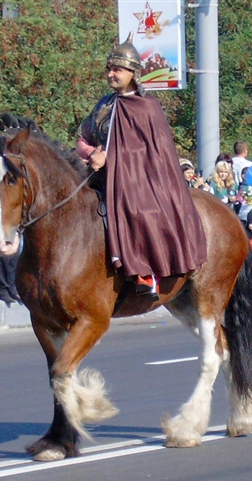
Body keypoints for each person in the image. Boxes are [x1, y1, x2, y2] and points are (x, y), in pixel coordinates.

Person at [75, 33, 207, 295]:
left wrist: (109, 157)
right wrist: (91, 154)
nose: (111, 74)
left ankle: (145, 274)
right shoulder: (104, 104)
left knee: (140, 211)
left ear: (132, 72)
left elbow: (150, 151)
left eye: (117, 69)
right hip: (97, 174)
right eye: (110, 69)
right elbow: (83, 137)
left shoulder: (147, 107)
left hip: (138, 178)